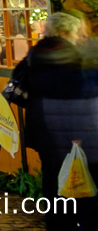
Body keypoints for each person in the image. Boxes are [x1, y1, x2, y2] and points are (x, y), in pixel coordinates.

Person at [17, 12, 98, 231]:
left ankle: (56, 225)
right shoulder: (67, 55)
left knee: (53, 183)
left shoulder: (35, 53)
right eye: (74, 33)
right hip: (69, 134)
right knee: (76, 185)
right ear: (63, 33)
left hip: (43, 132)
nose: (77, 37)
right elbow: (73, 97)